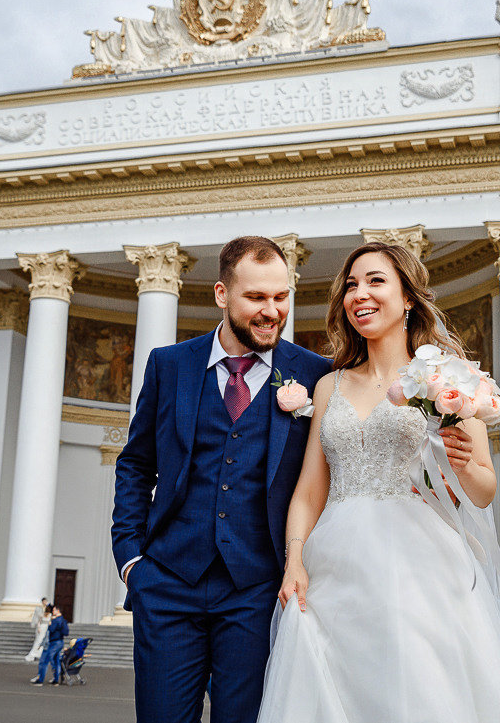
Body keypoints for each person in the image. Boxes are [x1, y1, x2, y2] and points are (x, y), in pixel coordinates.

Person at [257, 241, 500, 722]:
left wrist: (466, 465)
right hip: (332, 571)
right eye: (350, 285)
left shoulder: (449, 377)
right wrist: (294, 561)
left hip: (420, 566)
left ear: (408, 297)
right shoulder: (330, 386)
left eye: (375, 281)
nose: (359, 293)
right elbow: (307, 492)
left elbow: (485, 489)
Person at [111, 236, 330, 723]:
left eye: (280, 296)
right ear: (221, 294)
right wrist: (131, 560)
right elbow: (135, 463)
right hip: (166, 583)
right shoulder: (168, 365)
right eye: (256, 297)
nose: (272, 311)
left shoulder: (315, 374)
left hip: (258, 591)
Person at [32, 605, 68, 686]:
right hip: (60, 641)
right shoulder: (63, 620)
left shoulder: (55, 620)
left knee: (44, 661)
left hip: (54, 642)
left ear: (58, 611)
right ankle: (56, 680)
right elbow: (66, 632)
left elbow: (51, 629)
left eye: (54, 610)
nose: (52, 611)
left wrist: (51, 623)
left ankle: (40, 680)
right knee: (56, 661)